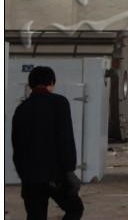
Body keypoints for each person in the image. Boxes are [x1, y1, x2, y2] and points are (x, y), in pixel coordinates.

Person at [12, 66, 84, 220]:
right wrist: (69, 170)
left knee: (35, 216)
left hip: (30, 178)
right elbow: (65, 139)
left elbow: (17, 145)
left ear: (30, 84)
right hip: (55, 176)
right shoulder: (59, 103)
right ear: (51, 82)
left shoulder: (21, 109)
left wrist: (23, 174)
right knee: (75, 209)